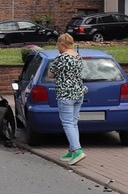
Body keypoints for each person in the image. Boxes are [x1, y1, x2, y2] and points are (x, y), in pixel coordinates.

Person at [48, 33, 87, 165]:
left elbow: (51, 74)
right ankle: (71, 150)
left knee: (67, 123)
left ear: (62, 44)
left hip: (66, 95)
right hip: (78, 94)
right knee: (74, 122)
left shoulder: (62, 57)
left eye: (58, 45)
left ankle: (77, 150)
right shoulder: (78, 56)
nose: (57, 48)